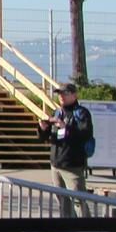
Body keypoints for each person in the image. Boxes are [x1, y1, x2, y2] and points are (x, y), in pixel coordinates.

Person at [39, 82, 95, 216]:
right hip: (56, 164)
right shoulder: (57, 112)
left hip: (72, 166)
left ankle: (88, 229)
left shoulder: (82, 113)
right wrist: (43, 129)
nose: (61, 97)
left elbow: (85, 133)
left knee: (78, 201)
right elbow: (47, 137)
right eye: (59, 94)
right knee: (62, 202)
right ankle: (67, 227)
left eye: (65, 93)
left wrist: (66, 127)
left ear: (74, 95)